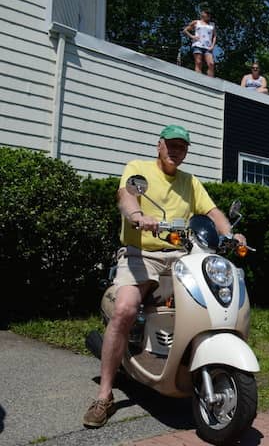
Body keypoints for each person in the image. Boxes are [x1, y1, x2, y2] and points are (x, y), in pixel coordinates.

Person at [83, 125, 246, 428]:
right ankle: (104, 395)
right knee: (125, 309)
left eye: (181, 147)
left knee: (206, 304)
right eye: (170, 145)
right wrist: (137, 217)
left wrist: (230, 233)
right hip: (142, 254)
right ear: (159, 145)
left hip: (182, 255)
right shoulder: (138, 169)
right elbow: (127, 197)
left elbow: (212, 213)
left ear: (186, 152)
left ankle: (184, 362)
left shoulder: (190, 181)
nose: (175, 151)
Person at [183, 9, 216, 77]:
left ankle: (210, 81)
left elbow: (214, 35)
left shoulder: (212, 25)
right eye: (206, 13)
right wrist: (192, 36)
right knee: (198, 62)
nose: (208, 15)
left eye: (209, 14)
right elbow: (185, 30)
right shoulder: (196, 22)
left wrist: (212, 46)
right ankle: (198, 78)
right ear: (202, 14)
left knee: (211, 63)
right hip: (198, 44)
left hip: (208, 47)